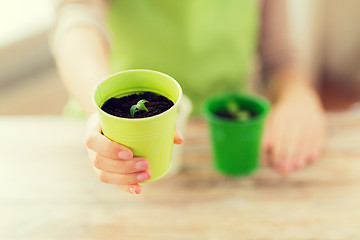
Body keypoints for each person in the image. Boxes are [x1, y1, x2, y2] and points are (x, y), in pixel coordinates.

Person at [51, 0, 326, 194]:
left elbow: (279, 58)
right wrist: (100, 110)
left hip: (222, 134)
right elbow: (78, 17)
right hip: (113, 138)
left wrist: (297, 95)